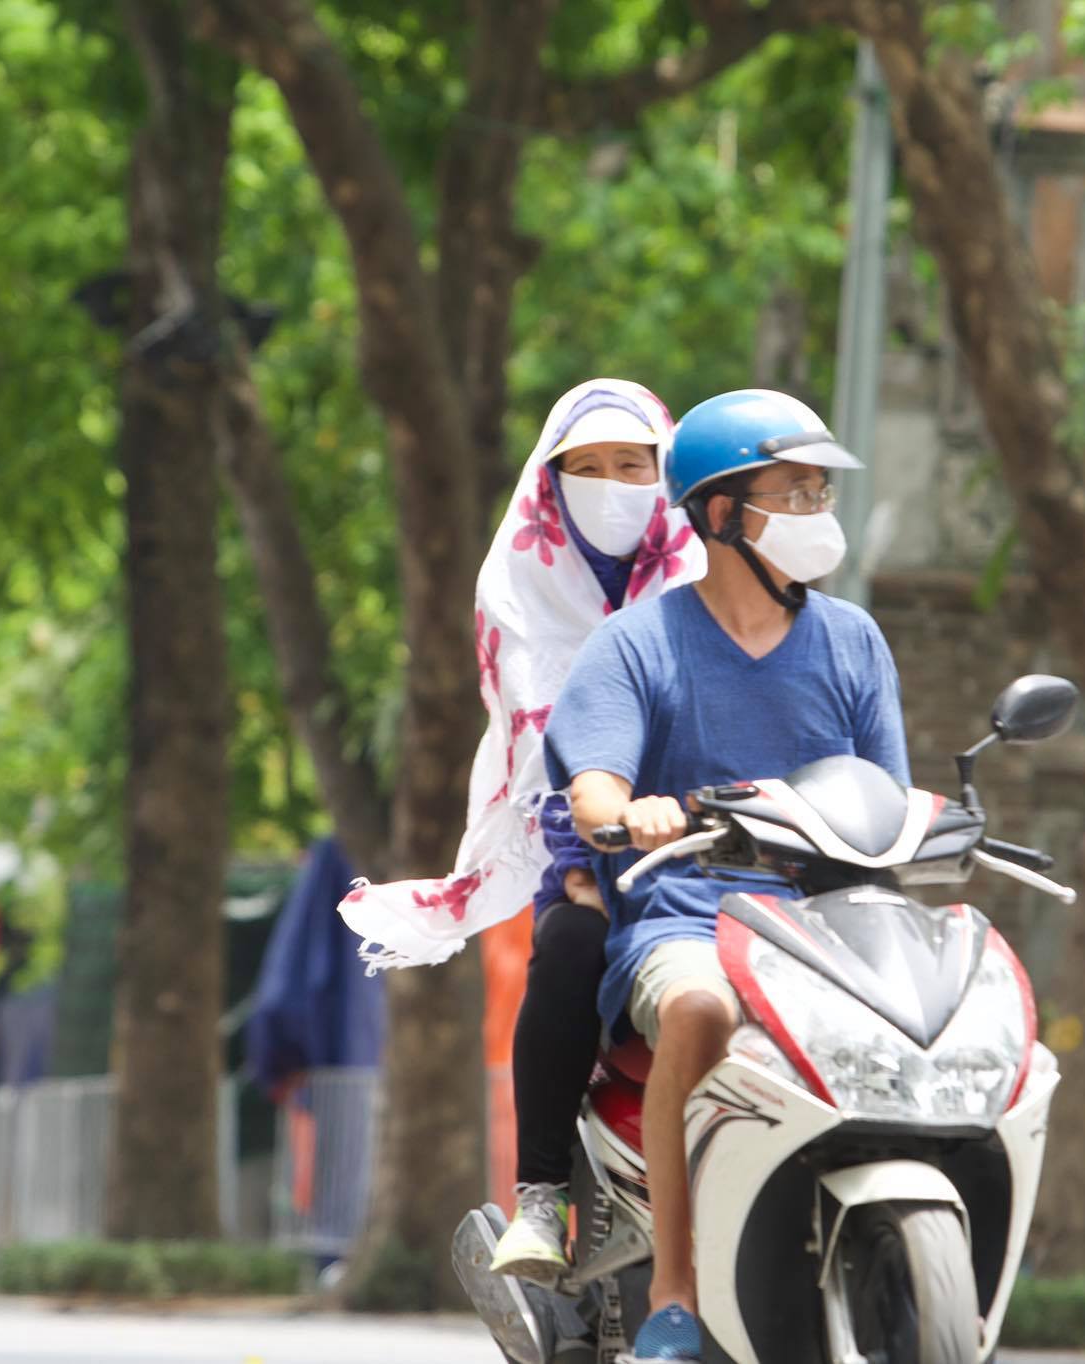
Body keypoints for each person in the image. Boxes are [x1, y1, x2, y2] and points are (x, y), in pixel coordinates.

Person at [543, 389, 908, 1363]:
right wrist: (626, 811)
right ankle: (672, 1291)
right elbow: (592, 788)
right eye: (791, 491)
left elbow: (890, 794)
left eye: (819, 490)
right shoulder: (637, 645)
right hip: (687, 918)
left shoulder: (853, 642)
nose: (815, 509)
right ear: (716, 514)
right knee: (700, 1010)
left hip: (837, 926)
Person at [335, 378, 707, 1280]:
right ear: (551, 480)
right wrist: (599, 843)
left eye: (634, 466)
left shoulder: (720, 584)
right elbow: (548, 751)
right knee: (573, 941)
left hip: (729, 857)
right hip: (592, 850)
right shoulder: (522, 594)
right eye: (589, 468)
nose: (614, 484)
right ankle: (542, 1193)